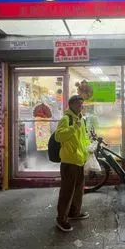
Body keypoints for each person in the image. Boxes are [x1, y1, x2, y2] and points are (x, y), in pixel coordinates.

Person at [54, 94, 90, 232]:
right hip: (69, 161)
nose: (81, 107)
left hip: (80, 160)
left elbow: (83, 138)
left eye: (82, 105)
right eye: (79, 105)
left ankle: (74, 213)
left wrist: (88, 150)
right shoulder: (66, 119)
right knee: (67, 191)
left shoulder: (80, 119)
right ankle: (61, 219)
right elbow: (58, 136)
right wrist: (74, 127)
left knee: (78, 190)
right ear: (72, 105)